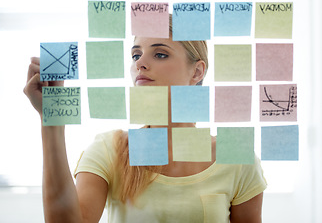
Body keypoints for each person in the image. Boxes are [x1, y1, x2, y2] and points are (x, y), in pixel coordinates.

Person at [24, 16, 267, 223]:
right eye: (135, 55)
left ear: (197, 71)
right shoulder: (109, 148)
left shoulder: (236, 155)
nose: (140, 63)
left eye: (160, 54)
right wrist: (51, 120)